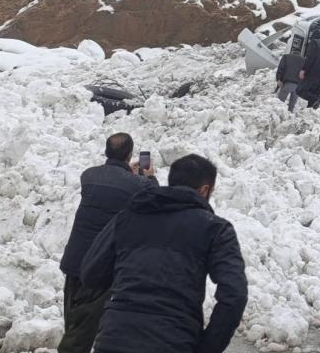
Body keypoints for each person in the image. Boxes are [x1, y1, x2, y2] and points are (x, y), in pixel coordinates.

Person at [80, 154, 248, 353]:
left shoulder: (126, 218)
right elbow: (234, 295)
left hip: (114, 339)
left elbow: (91, 274)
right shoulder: (215, 229)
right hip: (174, 341)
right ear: (204, 190)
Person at [57, 133, 157, 353]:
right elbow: (155, 202)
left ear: (106, 151)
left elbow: (111, 188)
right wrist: (148, 177)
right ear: (129, 154)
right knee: (80, 335)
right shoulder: (138, 185)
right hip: (99, 267)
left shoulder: (89, 175)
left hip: (74, 262)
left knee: (74, 324)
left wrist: (128, 174)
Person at [296, 29, 320, 109]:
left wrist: (304, 70)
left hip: (313, 74)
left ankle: (317, 99)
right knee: (314, 96)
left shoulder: (315, 42)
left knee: (300, 90)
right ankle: (310, 111)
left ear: (314, 36)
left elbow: (310, 58)